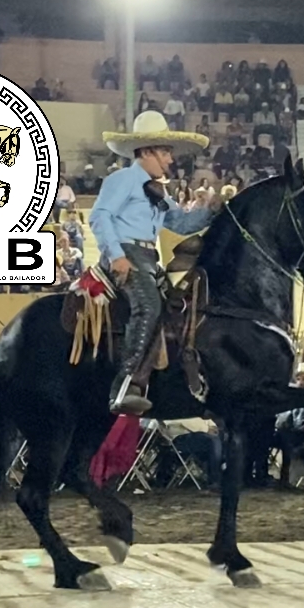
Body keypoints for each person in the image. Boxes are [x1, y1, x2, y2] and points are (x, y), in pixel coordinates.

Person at [91, 111, 219, 415]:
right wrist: (116, 255)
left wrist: (211, 211)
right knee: (148, 306)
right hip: (126, 253)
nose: (170, 160)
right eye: (165, 152)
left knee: (179, 307)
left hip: (149, 259)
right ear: (146, 151)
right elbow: (99, 216)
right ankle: (125, 385)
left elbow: (182, 224)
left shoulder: (158, 191)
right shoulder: (122, 180)